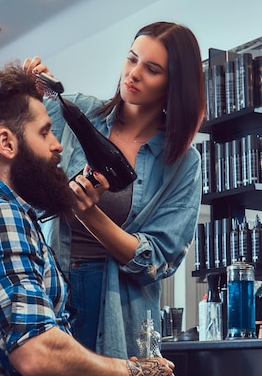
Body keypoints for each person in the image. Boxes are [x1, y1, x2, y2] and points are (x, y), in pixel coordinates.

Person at [0, 62, 262, 376]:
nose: (58, 147)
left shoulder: (7, 213)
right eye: (46, 132)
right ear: (6, 142)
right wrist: (138, 374)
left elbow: (161, 256)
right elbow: (38, 354)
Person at [23, 21, 205, 358]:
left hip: (119, 308)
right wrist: (28, 99)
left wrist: (89, 214)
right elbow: (12, 164)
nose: (133, 74)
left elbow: (157, 261)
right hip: (47, 282)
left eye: (151, 69)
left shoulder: (182, 163)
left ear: (174, 86)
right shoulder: (73, 112)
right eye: (131, 59)